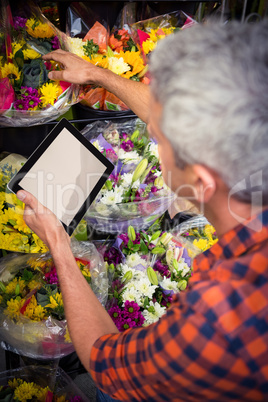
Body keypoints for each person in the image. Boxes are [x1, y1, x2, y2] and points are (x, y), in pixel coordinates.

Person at [17, 20, 268, 401]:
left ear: (200, 180)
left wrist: (58, 241)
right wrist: (97, 74)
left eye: (158, 140)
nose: (151, 134)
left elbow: (106, 361)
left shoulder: (218, 317)